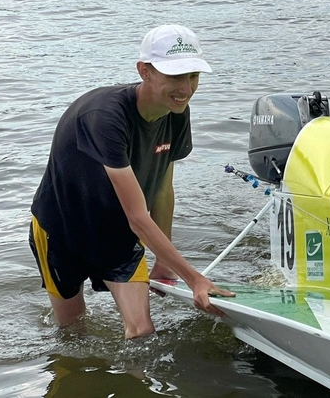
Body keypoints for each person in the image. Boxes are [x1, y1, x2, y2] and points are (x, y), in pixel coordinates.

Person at [29, 24, 235, 339]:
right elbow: (138, 217)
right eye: (175, 76)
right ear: (144, 71)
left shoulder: (176, 112)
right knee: (73, 331)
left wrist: (165, 264)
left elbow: (163, 192)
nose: (186, 88)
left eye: (193, 75)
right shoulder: (105, 117)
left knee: (141, 332)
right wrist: (194, 279)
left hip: (118, 233)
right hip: (61, 230)